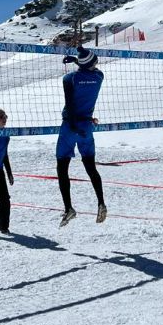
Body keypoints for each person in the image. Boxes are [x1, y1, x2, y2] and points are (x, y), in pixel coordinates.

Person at [57, 48, 107, 226]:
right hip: (86, 127)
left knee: (62, 169)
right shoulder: (99, 77)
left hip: (70, 126)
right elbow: (89, 67)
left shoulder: (68, 79)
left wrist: (71, 125)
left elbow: (70, 104)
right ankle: (101, 202)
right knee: (90, 167)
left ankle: (68, 208)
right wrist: (78, 60)